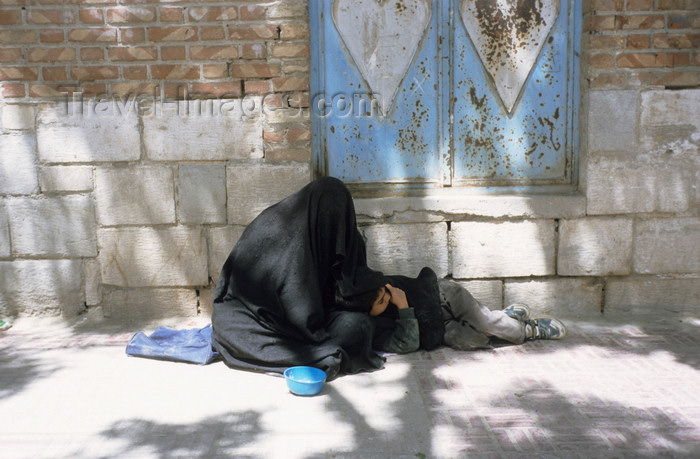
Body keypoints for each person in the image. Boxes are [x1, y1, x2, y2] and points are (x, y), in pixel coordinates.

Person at [345, 277, 566, 355]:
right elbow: (407, 344)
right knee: (472, 341)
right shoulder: (373, 328)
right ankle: (504, 319)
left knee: (485, 321)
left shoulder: (385, 285)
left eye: (387, 293)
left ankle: (528, 329)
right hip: (436, 328)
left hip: (442, 295)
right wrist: (402, 306)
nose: (390, 297)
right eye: (383, 302)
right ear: (367, 312)